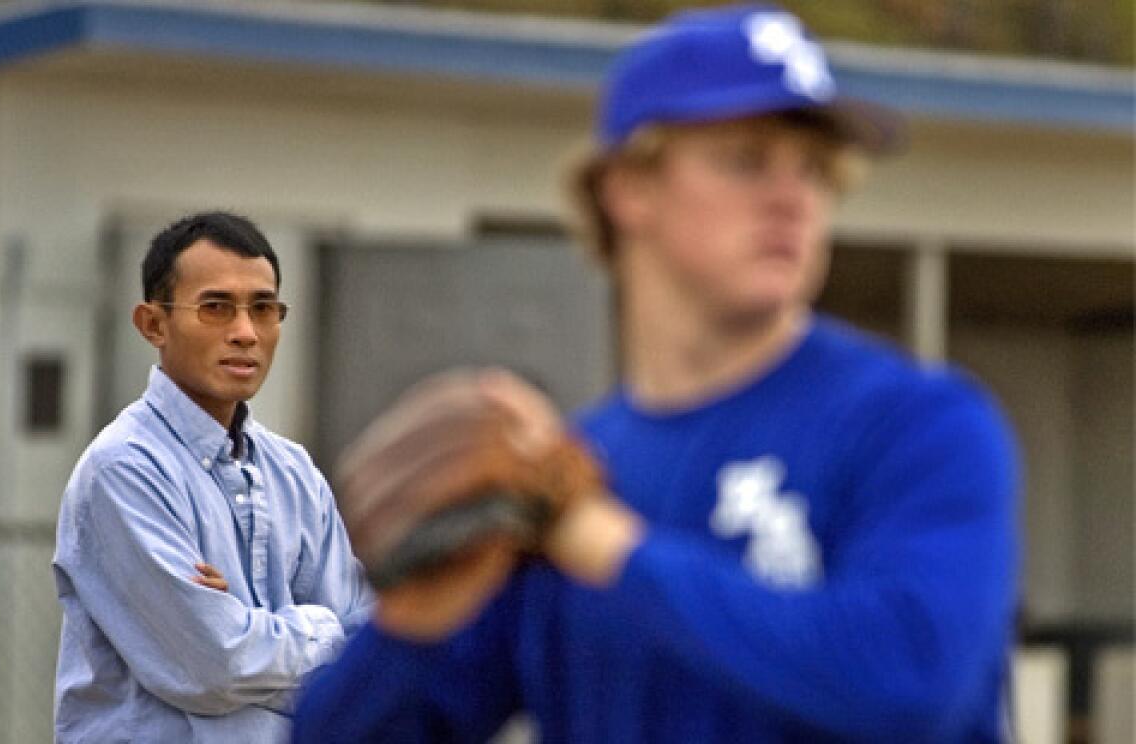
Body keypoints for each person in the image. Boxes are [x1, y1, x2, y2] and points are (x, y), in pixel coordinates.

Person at [293, 4, 1020, 742]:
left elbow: (908, 678)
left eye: (813, 168)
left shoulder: (920, 423)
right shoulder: (562, 475)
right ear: (627, 191)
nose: (792, 197)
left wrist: (606, 544)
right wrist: (411, 633)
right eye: (746, 159)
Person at [52, 211, 373, 743]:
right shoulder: (125, 469)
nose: (246, 333)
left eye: (264, 309)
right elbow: (213, 665)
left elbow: (365, 652)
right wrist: (319, 627)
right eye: (216, 307)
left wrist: (246, 628)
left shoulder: (293, 471)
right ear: (153, 324)